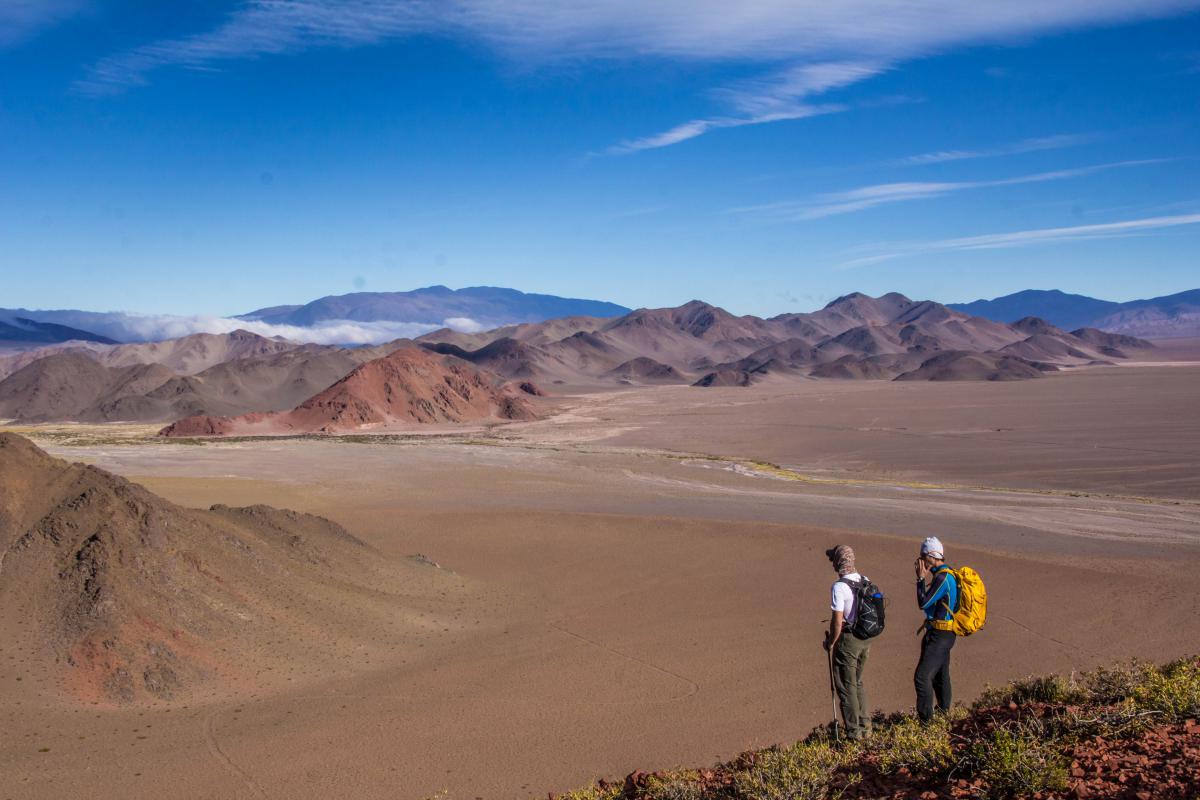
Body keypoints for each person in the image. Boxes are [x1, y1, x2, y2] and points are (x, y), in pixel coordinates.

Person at [823, 544, 872, 739]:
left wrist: (831, 643)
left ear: (838, 563)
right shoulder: (865, 580)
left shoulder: (839, 587)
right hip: (865, 639)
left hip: (849, 640)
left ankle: (854, 734)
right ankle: (865, 727)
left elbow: (837, 621)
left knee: (845, 685)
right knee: (857, 682)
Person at [914, 536, 958, 721]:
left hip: (940, 635)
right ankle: (944, 714)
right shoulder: (947, 575)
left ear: (932, 555)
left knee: (922, 677)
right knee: (940, 675)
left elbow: (924, 603)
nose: (921, 561)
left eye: (923, 556)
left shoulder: (943, 578)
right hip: (944, 633)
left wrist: (920, 580)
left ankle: (926, 723)